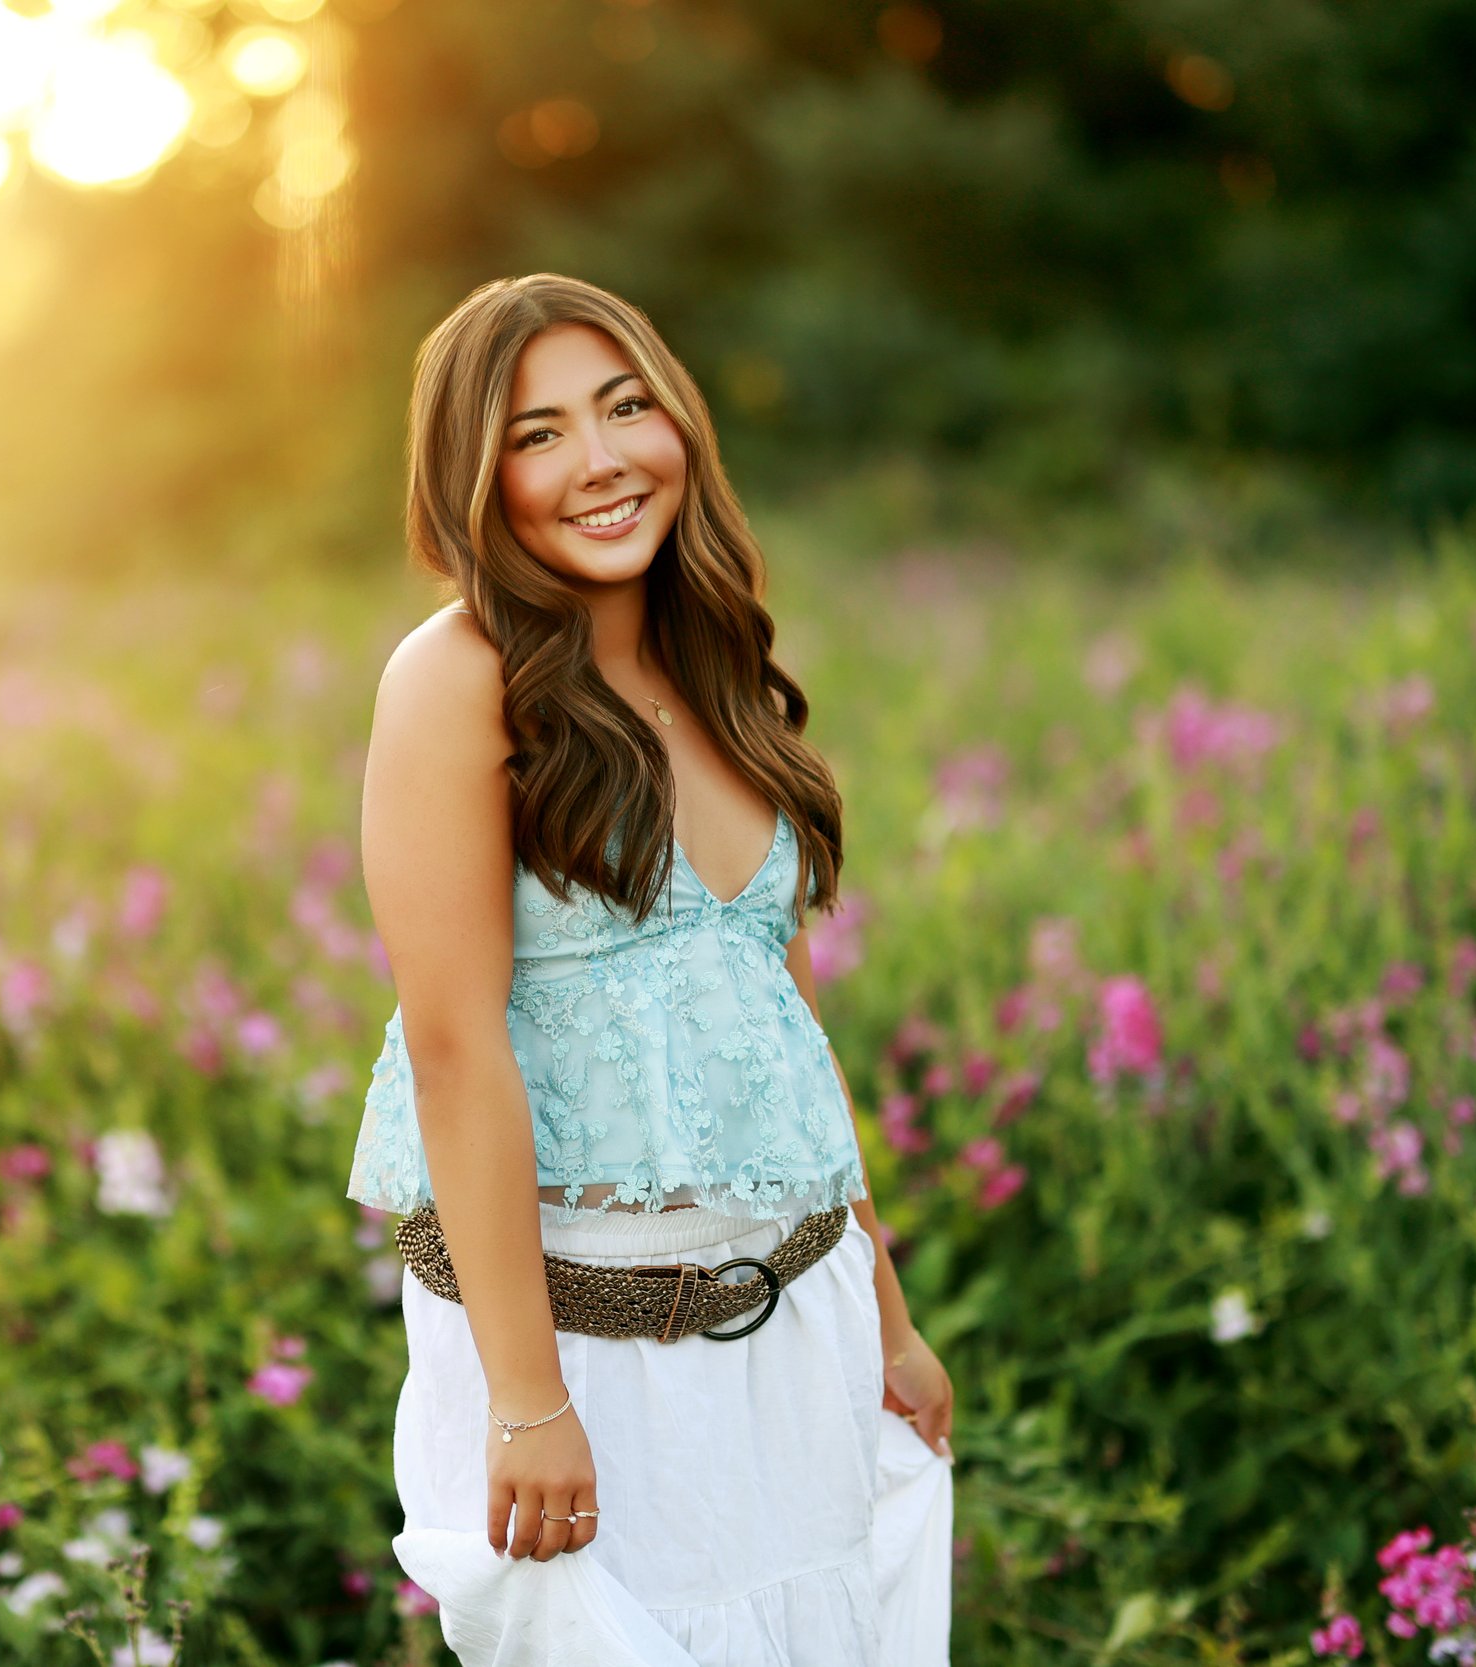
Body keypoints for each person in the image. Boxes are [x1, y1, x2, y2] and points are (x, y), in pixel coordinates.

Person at [347, 273, 956, 1666]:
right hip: (592, 1351)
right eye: (538, 432)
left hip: (795, 1333)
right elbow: (455, 1047)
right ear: (473, 475)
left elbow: (783, 1031)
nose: (602, 460)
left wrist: (887, 1313)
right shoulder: (456, 678)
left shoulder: (718, 659)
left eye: (625, 408)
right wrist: (525, 1395)